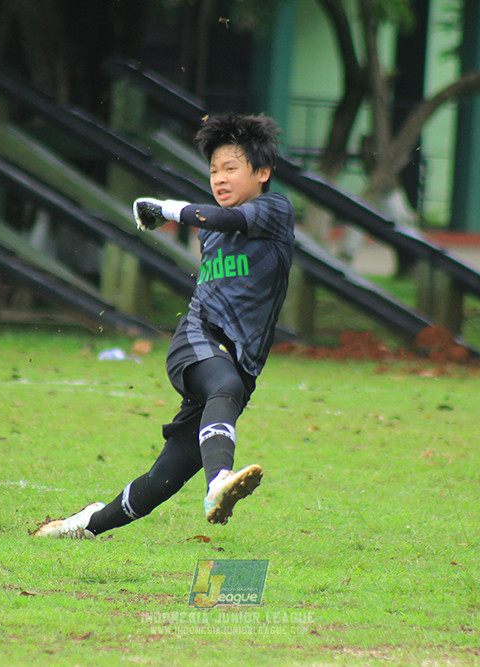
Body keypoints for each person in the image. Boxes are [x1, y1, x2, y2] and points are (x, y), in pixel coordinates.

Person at [34, 113, 295, 539]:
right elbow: (215, 219)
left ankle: (85, 525)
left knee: (161, 482)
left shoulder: (275, 210)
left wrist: (166, 209)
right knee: (223, 387)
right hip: (197, 339)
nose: (220, 179)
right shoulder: (211, 225)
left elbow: (223, 220)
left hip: (238, 363)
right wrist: (173, 212)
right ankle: (219, 485)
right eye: (213, 170)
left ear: (263, 173)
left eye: (231, 168)